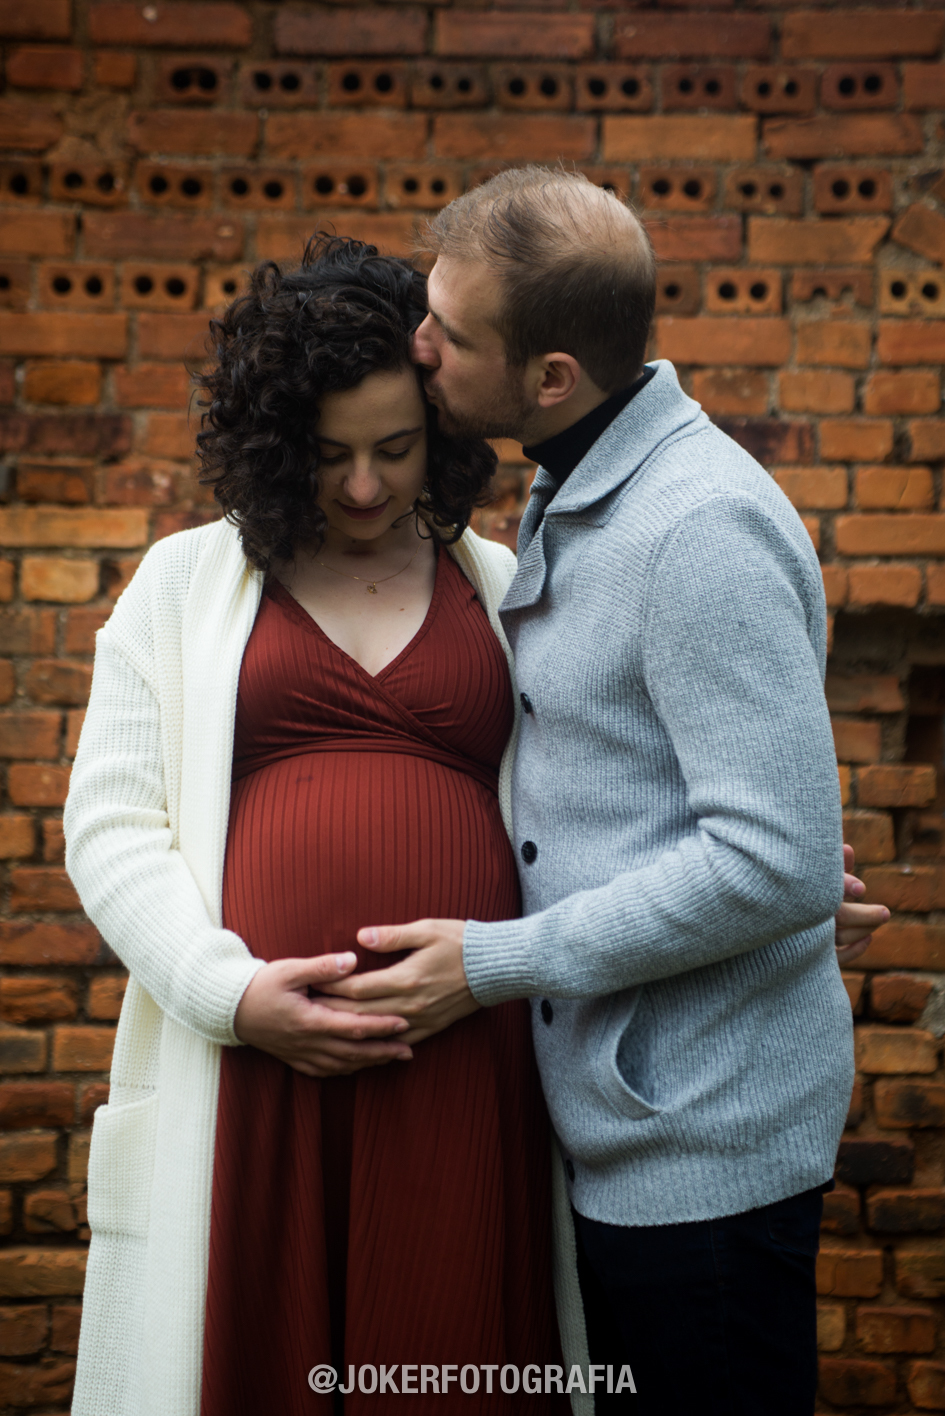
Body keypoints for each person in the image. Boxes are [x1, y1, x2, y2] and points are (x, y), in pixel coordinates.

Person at [312, 168, 889, 1415]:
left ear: (553, 375)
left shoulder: (697, 528)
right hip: (623, 1125)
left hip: (701, 1151)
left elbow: (771, 858)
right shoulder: (576, 480)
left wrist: (493, 960)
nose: (420, 346)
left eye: (451, 335)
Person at [63, 237, 576, 1416]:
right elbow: (110, 824)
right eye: (329, 454)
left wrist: (786, 901)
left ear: (441, 432)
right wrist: (229, 995)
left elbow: (601, 796)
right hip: (250, 1069)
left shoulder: (510, 586)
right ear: (275, 444)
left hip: (463, 1056)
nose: (362, 487)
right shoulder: (185, 585)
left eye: (395, 450)